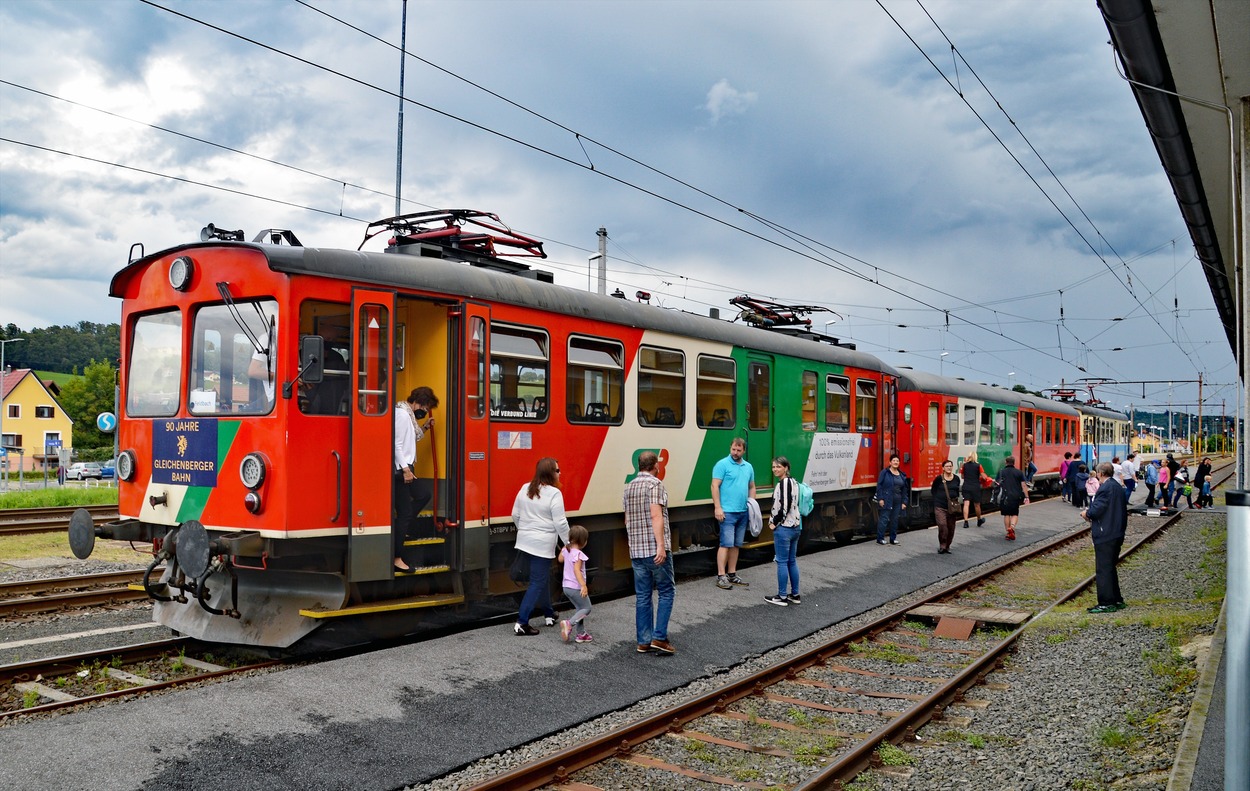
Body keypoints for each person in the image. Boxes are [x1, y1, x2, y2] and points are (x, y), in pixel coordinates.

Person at [623, 450, 676, 654]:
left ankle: (643, 641)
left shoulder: (629, 487)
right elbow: (656, 515)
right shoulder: (655, 484)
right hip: (654, 550)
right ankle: (659, 638)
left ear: (638, 465)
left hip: (636, 550)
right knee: (666, 591)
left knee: (643, 595)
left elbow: (627, 520)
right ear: (656, 466)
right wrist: (661, 545)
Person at [511, 457, 570, 635]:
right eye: (557, 471)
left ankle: (549, 613)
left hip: (525, 541)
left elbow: (515, 514)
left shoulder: (525, 487)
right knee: (537, 581)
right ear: (551, 473)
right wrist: (568, 543)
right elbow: (560, 522)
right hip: (541, 545)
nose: (560, 473)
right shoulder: (554, 493)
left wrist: (525, 531)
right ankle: (521, 622)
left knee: (541, 578)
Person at [393, 386, 440, 571]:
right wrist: (405, 469)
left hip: (406, 468)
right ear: (420, 402)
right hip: (401, 470)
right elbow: (396, 443)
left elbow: (412, 438)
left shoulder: (408, 414)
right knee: (404, 513)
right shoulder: (403, 415)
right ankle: (397, 558)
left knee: (423, 495)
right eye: (426, 406)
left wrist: (426, 427)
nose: (426, 411)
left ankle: (399, 530)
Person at [1081, 462, 1127, 613]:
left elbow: (1097, 510)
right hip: (1116, 532)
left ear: (1100, 473)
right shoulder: (1117, 486)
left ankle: (1106, 602)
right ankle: (1116, 599)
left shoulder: (1105, 488)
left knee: (1103, 569)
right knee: (1110, 567)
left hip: (1106, 533)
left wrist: (1086, 513)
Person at [711, 437, 755, 589]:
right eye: (733, 449)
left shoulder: (748, 467)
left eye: (739, 450)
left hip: (743, 511)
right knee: (725, 544)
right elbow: (714, 486)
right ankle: (721, 576)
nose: (735, 453)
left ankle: (732, 574)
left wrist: (752, 504)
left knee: (736, 545)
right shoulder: (722, 464)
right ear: (730, 448)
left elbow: (752, 486)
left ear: (744, 450)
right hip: (727, 512)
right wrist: (718, 507)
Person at [765, 457, 801, 606]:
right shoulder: (794, 482)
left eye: (778, 467)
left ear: (786, 468)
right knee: (791, 561)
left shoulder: (783, 484)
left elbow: (784, 507)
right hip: (795, 527)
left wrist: (774, 522)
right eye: (773, 467)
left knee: (782, 562)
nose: (775, 469)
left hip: (784, 528)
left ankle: (782, 596)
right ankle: (795, 595)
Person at [558, 524, 592, 643]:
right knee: (587, 608)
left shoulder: (566, 550)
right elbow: (577, 570)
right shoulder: (578, 554)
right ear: (583, 542)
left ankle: (581, 634)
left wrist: (565, 547)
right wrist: (583, 585)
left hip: (566, 586)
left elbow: (560, 559)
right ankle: (569, 624)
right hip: (576, 587)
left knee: (580, 608)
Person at [874, 453, 909, 545]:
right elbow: (879, 486)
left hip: (898, 500)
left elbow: (905, 490)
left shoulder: (902, 475)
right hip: (887, 499)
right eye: (894, 461)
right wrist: (880, 498)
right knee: (884, 519)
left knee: (895, 520)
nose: (895, 462)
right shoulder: (884, 473)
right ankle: (880, 538)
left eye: (897, 461)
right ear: (890, 462)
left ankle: (893, 539)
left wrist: (904, 502)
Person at [931, 459, 960, 554]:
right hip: (940, 506)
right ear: (943, 468)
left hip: (952, 507)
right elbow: (933, 490)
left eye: (950, 466)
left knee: (951, 528)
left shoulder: (956, 478)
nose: (949, 468)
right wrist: (936, 501)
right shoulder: (939, 479)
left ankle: (947, 546)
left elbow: (957, 491)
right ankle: (942, 545)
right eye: (947, 466)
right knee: (943, 526)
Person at [996, 455, 1026, 541]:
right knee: (1014, 514)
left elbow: (997, 483)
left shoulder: (1001, 472)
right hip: (1015, 496)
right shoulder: (1019, 472)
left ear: (1006, 462)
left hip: (1004, 496)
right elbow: (1023, 484)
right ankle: (1012, 527)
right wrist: (1026, 496)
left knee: (1006, 514)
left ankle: (1008, 532)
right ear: (1014, 463)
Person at [960, 452, 986, 528]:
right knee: (977, 505)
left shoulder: (964, 465)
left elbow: (962, 476)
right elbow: (984, 477)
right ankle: (979, 520)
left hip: (966, 486)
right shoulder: (978, 466)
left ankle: (966, 522)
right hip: (975, 487)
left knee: (966, 504)